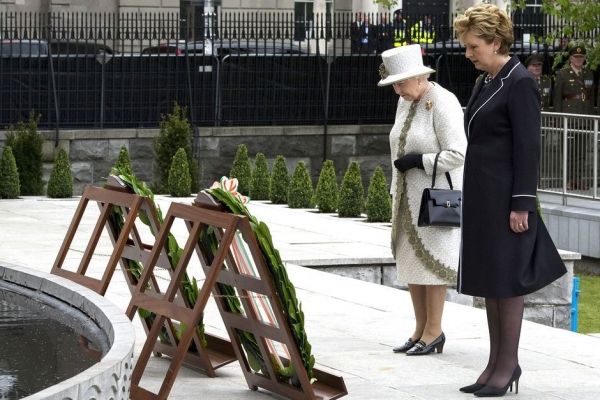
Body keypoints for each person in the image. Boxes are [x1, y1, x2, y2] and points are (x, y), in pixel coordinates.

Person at [453, 4, 567, 397]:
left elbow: (528, 147)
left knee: (507, 281)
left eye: (472, 47)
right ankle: (494, 364)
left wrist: (521, 203)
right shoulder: (487, 80)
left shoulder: (519, 82)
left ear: (495, 42)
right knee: (490, 281)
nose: (468, 54)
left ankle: (508, 365)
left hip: (506, 200)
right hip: (483, 196)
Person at [377, 44, 466, 356]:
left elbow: (458, 153)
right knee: (411, 265)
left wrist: (421, 161)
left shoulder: (443, 102)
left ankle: (434, 331)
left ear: (419, 77)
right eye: (394, 84)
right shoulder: (406, 101)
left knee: (432, 266)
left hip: (435, 199)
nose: (397, 90)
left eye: (401, 83)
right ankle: (418, 330)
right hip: (405, 197)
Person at [553, 45, 595, 190]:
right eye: (576, 57)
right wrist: (558, 118)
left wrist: (592, 116)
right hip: (569, 117)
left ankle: (579, 179)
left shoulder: (589, 73)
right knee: (570, 151)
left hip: (584, 117)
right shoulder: (562, 74)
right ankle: (570, 180)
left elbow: (592, 97)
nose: (579, 60)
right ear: (571, 58)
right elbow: (557, 97)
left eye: (581, 57)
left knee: (582, 151)